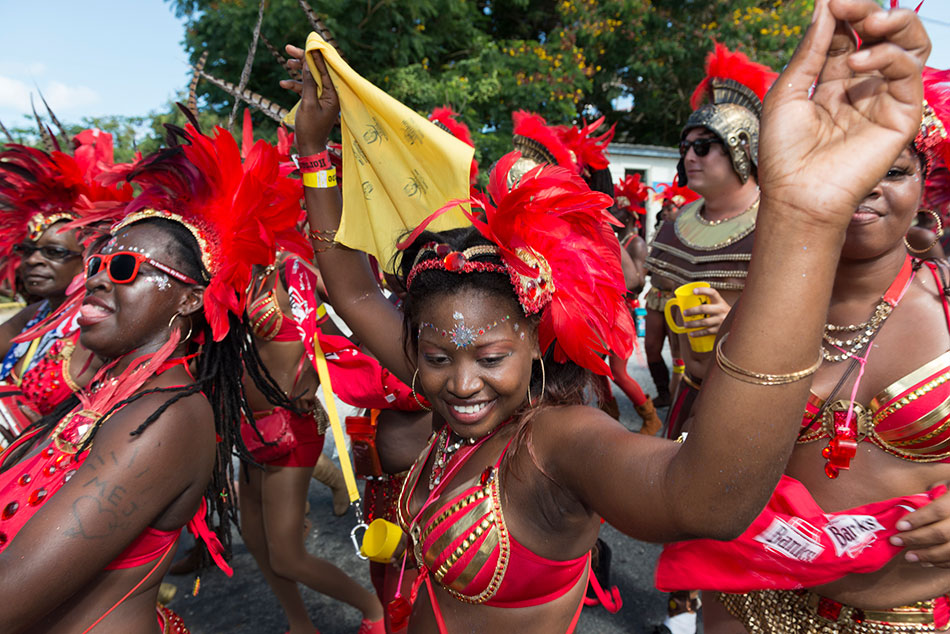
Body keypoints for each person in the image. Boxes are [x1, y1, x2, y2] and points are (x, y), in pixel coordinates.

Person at [281, 1, 929, 630]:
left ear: (537, 342)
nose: (462, 383)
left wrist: (803, 218)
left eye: (491, 356)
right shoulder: (445, 388)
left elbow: (704, 498)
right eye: (437, 356)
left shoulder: (557, 443)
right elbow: (355, 292)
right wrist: (315, 149)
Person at [657, 63, 950, 634]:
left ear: (925, 187)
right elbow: (712, 457)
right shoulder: (763, 309)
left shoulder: (947, 304)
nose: (866, 185)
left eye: (892, 170)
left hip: (908, 617)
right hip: (749, 605)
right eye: (847, 165)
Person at [0, 122, 309, 633]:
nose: (97, 275)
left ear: (190, 298)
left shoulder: (165, 419)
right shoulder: (107, 393)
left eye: (125, 267)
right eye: (97, 261)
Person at [238, 249, 386, 634]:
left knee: (287, 556)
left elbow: (360, 311)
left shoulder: (292, 270)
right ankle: (300, 624)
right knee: (254, 536)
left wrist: (320, 373)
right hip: (245, 424)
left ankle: (374, 608)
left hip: (292, 425)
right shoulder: (232, 270)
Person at [645, 43, 776, 444]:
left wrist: (737, 320)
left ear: (742, 149)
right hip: (689, 393)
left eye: (704, 147)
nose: (690, 158)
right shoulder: (676, 223)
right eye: (686, 148)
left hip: (756, 400)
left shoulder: (778, 224)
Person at [0, 138, 130, 443]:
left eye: (54, 252)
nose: (33, 260)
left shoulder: (106, 321)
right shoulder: (38, 314)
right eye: (28, 250)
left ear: (88, 259)